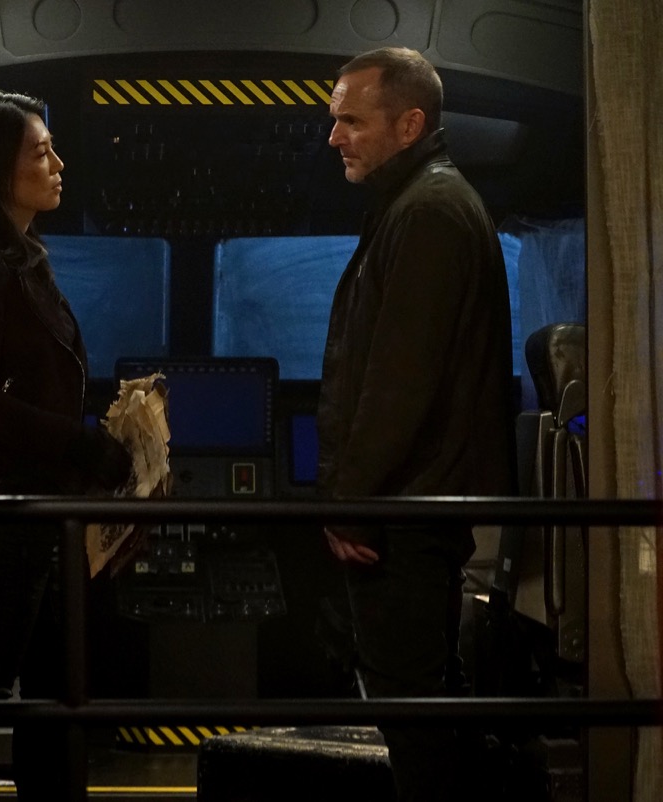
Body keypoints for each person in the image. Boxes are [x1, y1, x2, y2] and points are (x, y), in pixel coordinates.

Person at [0, 89, 132, 802]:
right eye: (41, 153)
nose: (58, 164)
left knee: (53, 693)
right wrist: (80, 445)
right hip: (2, 511)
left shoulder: (21, 259)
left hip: (39, 509)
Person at [317, 47, 515, 801]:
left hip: (404, 509)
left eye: (351, 121)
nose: (335, 137)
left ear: (409, 125)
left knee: (411, 703)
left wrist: (350, 502)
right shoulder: (420, 203)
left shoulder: (429, 211)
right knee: (428, 697)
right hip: (411, 501)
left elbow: (401, 380)